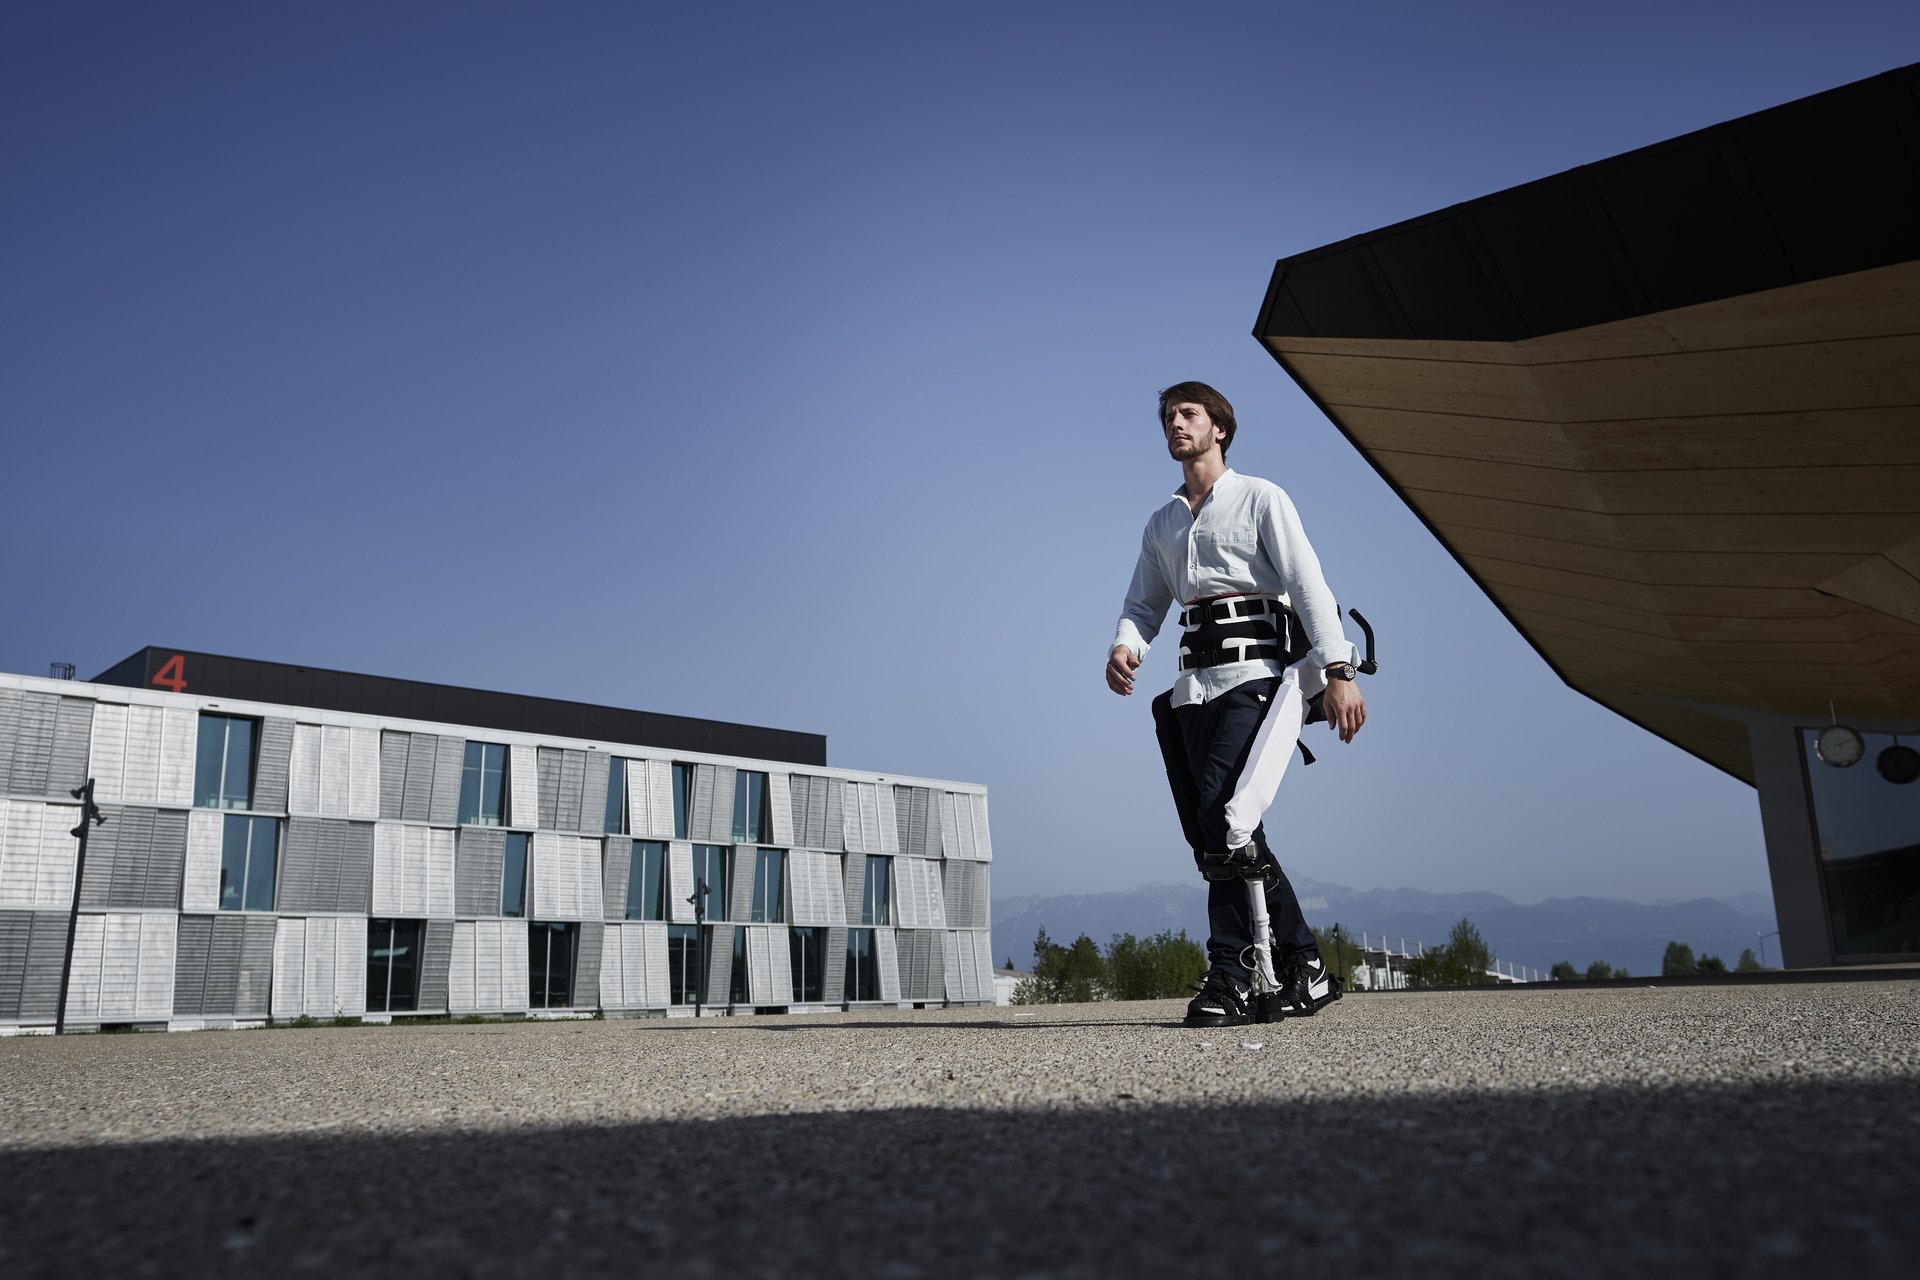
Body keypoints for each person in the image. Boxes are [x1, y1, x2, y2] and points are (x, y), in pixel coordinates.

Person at [1106, 381, 1366, 1027]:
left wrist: (1339, 670)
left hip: (1258, 681)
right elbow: (1144, 604)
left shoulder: (1261, 498)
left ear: (1219, 427)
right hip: (1192, 690)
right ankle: (1304, 963)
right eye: (1169, 416)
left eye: (1188, 413)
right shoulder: (1162, 522)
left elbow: (1308, 583)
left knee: (1225, 817)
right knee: (1220, 833)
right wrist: (1125, 645)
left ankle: (1231, 973)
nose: (1176, 423)